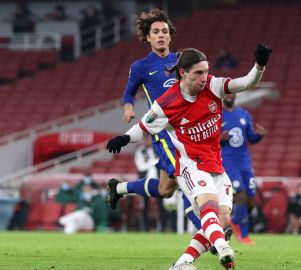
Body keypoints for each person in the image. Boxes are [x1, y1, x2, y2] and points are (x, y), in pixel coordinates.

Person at [105, 44, 272, 269]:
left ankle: (182, 263)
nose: (205, 77)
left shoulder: (213, 86)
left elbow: (246, 82)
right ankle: (224, 249)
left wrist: (259, 65)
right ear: (183, 73)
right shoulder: (166, 103)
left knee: (221, 218)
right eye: (198, 73)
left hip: (216, 166)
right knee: (209, 208)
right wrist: (124, 138)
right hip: (190, 167)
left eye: (206, 71)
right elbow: (144, 127)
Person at [106, 8, 202, 232]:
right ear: (147, 37)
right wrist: (128, 109)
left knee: (165, 189)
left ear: (170, 36)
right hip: (163, 132)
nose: (161, 35)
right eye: (156, 32)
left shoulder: (181, 61)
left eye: (164, 31)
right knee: (183, 177)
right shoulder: (140, 66)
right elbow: (128, 92)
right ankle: (209, 234)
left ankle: (118, 189)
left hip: (186, 131)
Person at [220, 94, 265, 244]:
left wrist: (259, 135)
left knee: (251, 199)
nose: (229, 95)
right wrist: (219, 138)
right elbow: (207, 139)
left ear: (235, 95)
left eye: (231, 92)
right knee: (241, 194)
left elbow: (251, 137)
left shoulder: (244, 114)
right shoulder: (217, 115)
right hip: (228, 161)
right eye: (226, 92)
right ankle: (243, 233)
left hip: (244, 162)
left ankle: (233, 220)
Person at [134, 136, 161, 231]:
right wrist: (154, 162)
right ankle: (145, 228)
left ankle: (162, 227)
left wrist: (150, 163)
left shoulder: (157, 149)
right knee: (145, 206)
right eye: (147, 139)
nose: (149, 141)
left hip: (159, 181)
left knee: (161, 206)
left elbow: (162, 162)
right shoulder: (140, 151)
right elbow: (141, 167)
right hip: (145, 181)